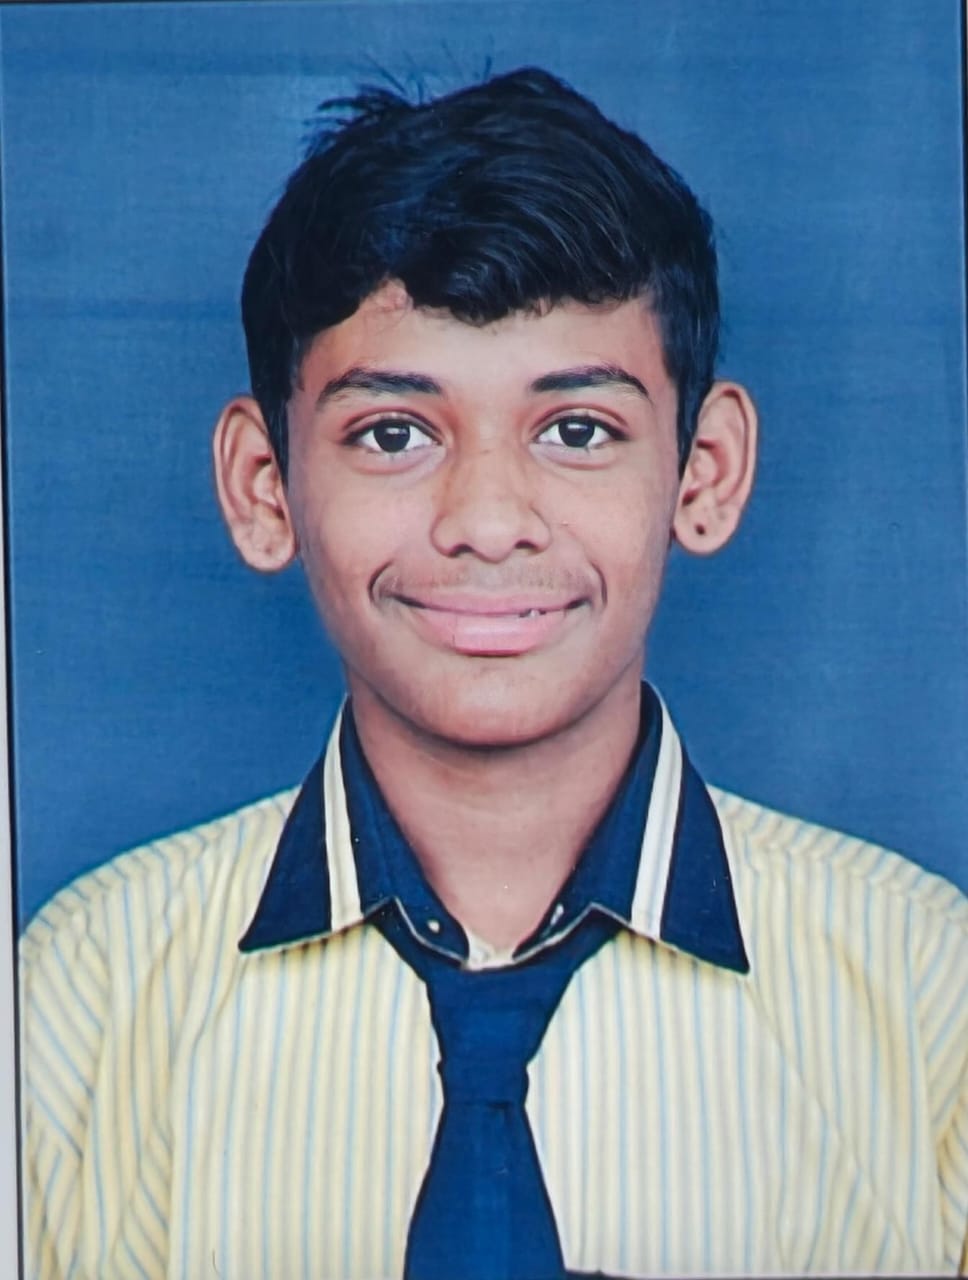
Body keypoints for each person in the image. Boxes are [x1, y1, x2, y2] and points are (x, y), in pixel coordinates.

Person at [20, 67, 967, 1280]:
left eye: (576, 430)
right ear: (265, 487)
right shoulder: (83, 999)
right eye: (392, 433)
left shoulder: (922, 991)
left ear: (704, 471)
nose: (484, 521)